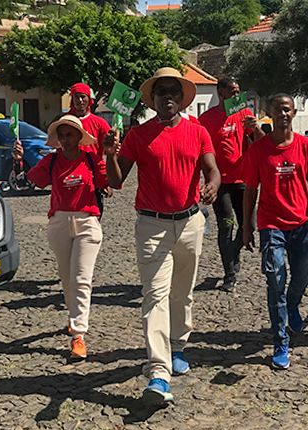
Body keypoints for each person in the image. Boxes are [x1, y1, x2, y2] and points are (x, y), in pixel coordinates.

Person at [103, 67, 220, 405]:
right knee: (154, 296)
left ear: (181, 99)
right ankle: (158, 372)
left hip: (189, 224)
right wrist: (110, 153)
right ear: (152, 99)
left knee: (182, 294)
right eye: (160, 91)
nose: (166, 96)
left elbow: (212, 169)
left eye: (172, 91)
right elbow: (115, 181)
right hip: (152, 227)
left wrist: (211, 185)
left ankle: (179, 345)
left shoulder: (197, 132)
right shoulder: (138, 136)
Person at [242, 93, 308, 369]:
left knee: (303, 274)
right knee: (275, 278)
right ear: (269, 113)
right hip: (271, 225)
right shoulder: (258, 150)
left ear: (294, 113)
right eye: (277, 110)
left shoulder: (306, 146)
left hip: (301, 223)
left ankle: (293, 304)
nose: (283, 114)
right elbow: (250, 190)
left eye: (287, 109)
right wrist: (247, 226)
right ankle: (280, 339)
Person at [24, 115, 107, 361]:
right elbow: (33, 181)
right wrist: (19, 158)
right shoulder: (51, 161)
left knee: (81, 279)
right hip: (59, 223)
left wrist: (111, 155)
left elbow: (110, 181)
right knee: (67, 278)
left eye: (70, 134)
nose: (66, 139)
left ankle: (78, 334)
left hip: (87, 223)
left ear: (79, 137)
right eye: (62, 135)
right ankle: (74, 318)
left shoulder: (91, 160)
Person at [199, 77, 263, 293]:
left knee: (249, 225)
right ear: (221, 92)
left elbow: (261, 144)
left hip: (244, 180)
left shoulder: (244, 115)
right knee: (226, 225)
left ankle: (233, 254)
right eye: (232, 91)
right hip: (220, 183)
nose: (237, 95)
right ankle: (230, 273)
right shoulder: (206, 119)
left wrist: (256, 129)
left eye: (238, 91)